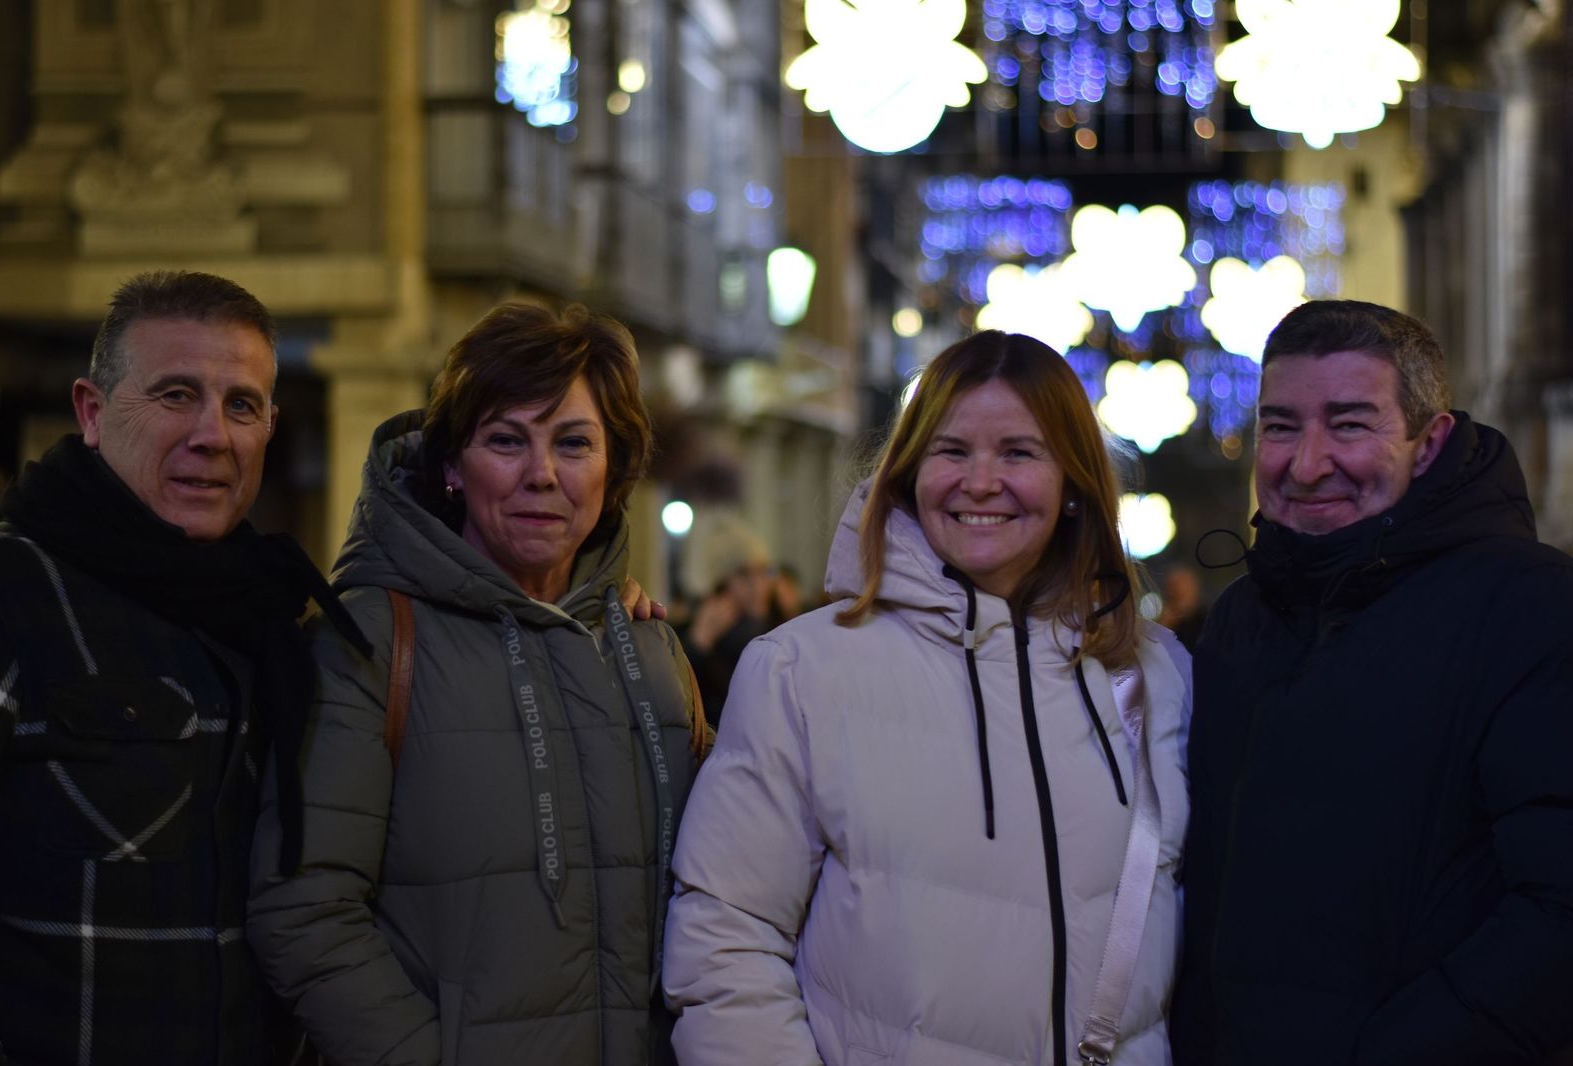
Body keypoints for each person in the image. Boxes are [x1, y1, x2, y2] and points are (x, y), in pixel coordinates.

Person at [663, 330, 1192, 1065]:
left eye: (1018, 452)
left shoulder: (1157, 676)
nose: (980, 482)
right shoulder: (802, 669)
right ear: (909, 476)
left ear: (1073, 485)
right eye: (951, 452)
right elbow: (725, 936)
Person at [247, 301, 710, 1065]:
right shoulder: (368, 640)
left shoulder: (652, 654)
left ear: (613, 469)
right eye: (505, 441)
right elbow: (304, 908)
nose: (543, 475)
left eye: (574, 443)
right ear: (453, 466)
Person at [0, 270, 370, 1065]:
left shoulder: (273, 619)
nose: (213, 435)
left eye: (241, 405)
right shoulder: (0, 594)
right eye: (176, 395)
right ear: (92, 411)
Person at [1172, 300, 1573, 1066]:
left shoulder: (1531, 609)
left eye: (1350, 425)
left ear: (1431, 442)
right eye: (1280, 426)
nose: (1306, 462)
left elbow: (1557, 913)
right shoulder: (1241, 620)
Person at [679, 513, 776, 728]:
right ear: (719, 584)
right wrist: (698, 645)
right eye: (744, 575)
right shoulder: (692, 636)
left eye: (763, 572)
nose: (758, 586)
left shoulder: (777, 626)